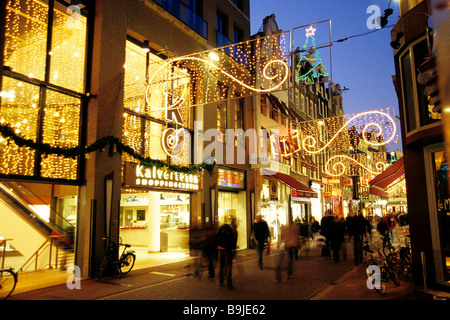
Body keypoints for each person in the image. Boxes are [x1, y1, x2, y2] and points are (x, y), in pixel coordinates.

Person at [215, 218, 238, 290]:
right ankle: (228, 284)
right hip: (227, 250)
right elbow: (233, 241)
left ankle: (220, 281)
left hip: (220, 249)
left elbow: (216, 238)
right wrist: (233, 250)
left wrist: (217, 247)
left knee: (221, 266)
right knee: (228, 267)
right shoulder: (232, 230)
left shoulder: (221, 228)